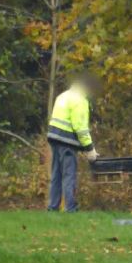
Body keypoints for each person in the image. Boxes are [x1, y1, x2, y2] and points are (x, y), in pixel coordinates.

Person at [46, 72, 101, 212]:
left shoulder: (63, 95)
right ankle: (70, 207)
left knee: (56, 174)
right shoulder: (80, 100)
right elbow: (80, 128)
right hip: (67, 141)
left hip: (54, 137)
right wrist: (90, 150)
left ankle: (53, 206)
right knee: (69, 174)